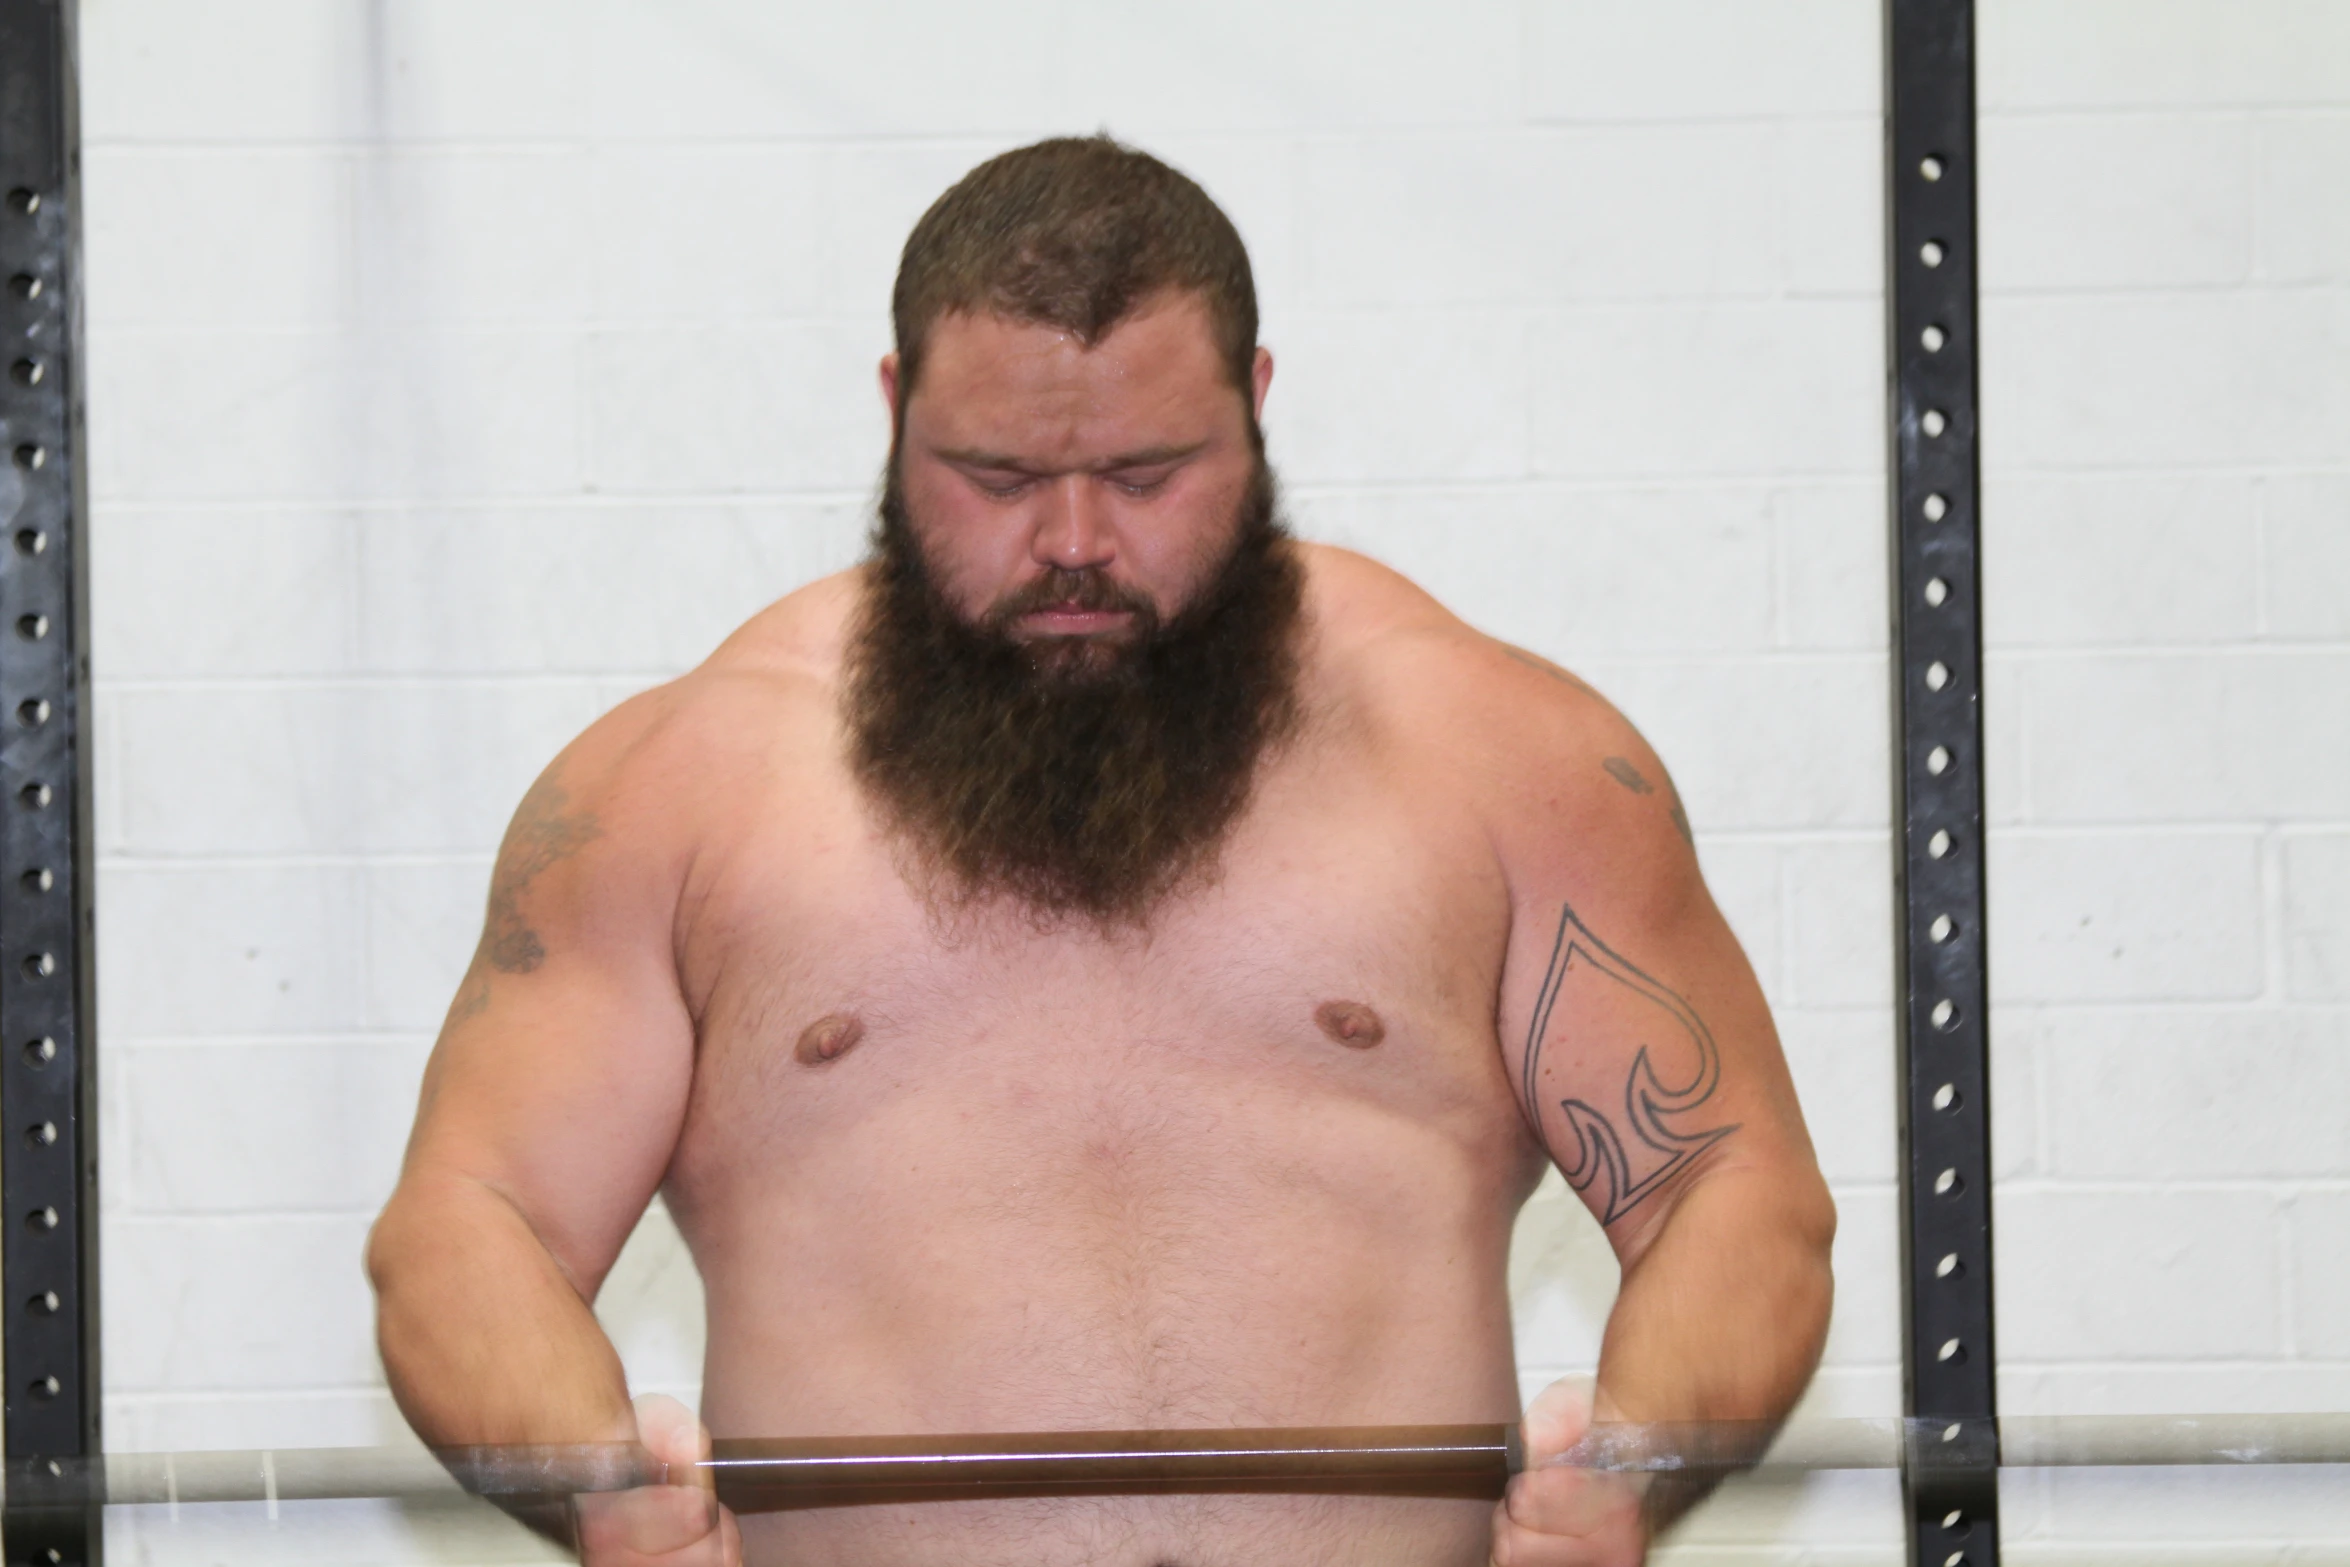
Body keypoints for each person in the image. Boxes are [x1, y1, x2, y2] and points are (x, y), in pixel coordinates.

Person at [367, 135, 1835, 1567]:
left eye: (1147, 472)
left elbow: (1734, 1187)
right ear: (892, 415)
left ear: (1255, 407)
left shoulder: (1505, 761)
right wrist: (602, 1488)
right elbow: (468, 1219)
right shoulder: (679, 792)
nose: (1074, 540)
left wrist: (1629, 1475)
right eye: (996, 477)